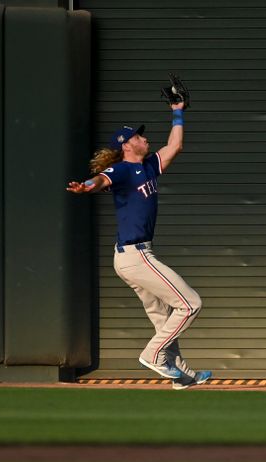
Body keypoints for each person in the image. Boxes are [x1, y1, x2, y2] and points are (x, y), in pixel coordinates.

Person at [67, 102, 211, 390]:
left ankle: (181, 375)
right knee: (190, 303)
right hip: (136, 256)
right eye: (137, 136)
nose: (144, 138)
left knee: (162, 317)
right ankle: (152, 355)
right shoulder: (121, 170)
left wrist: (178, 110)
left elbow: (176, 145)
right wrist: (86, 185)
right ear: (127, 145)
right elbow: (100, 179)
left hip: (134, 256)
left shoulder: (148, 167)